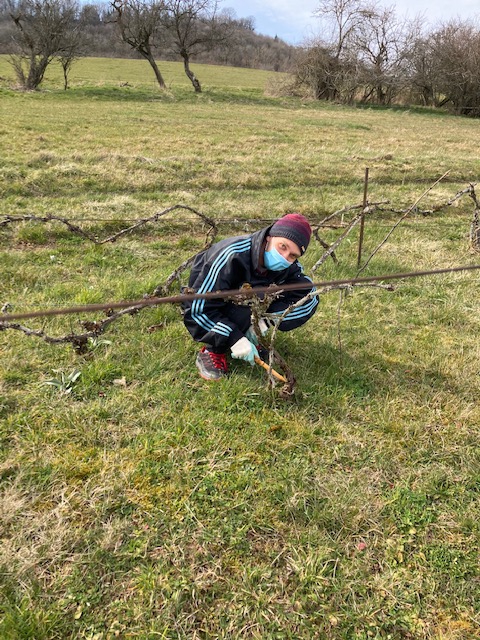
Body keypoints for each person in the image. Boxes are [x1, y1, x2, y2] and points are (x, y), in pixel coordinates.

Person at [182, 213, 318, 380]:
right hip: (214, 305)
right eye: (282, 246)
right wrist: (234, 338)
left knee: (295, 297)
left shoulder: (288, 266)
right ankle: (213, 350)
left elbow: (310, 296)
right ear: (270, 237)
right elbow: (197, 308)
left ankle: (251, 334)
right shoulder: (232, 255)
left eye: (293, 255)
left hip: (251, 305)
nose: (284, 257)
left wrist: (266, 322)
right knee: (241, 305)